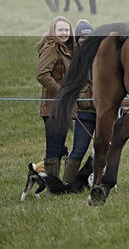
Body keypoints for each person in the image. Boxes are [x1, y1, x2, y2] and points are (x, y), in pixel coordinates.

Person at [36, 16, 75, 179]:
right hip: (53, 107)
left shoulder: (66, 48)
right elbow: (42, 74)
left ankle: (52, 180)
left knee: (59, 147)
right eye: (60, 30)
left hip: (63, 108)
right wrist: (61, 94)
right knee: (53, 147)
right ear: (53, 31)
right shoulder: (52, 47)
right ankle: (52, 184)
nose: (64, 33)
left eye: (66, 30)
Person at [63, 19, 94, 185]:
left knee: (105, 149)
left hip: (104, 110)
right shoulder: (72, 59)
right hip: (84, 111)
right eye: (82, 37)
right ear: (77, 39)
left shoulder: (103, 55)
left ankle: (99, 180)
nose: (85, 40)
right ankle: (67, 182)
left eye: (89, 37)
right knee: (78, 150)